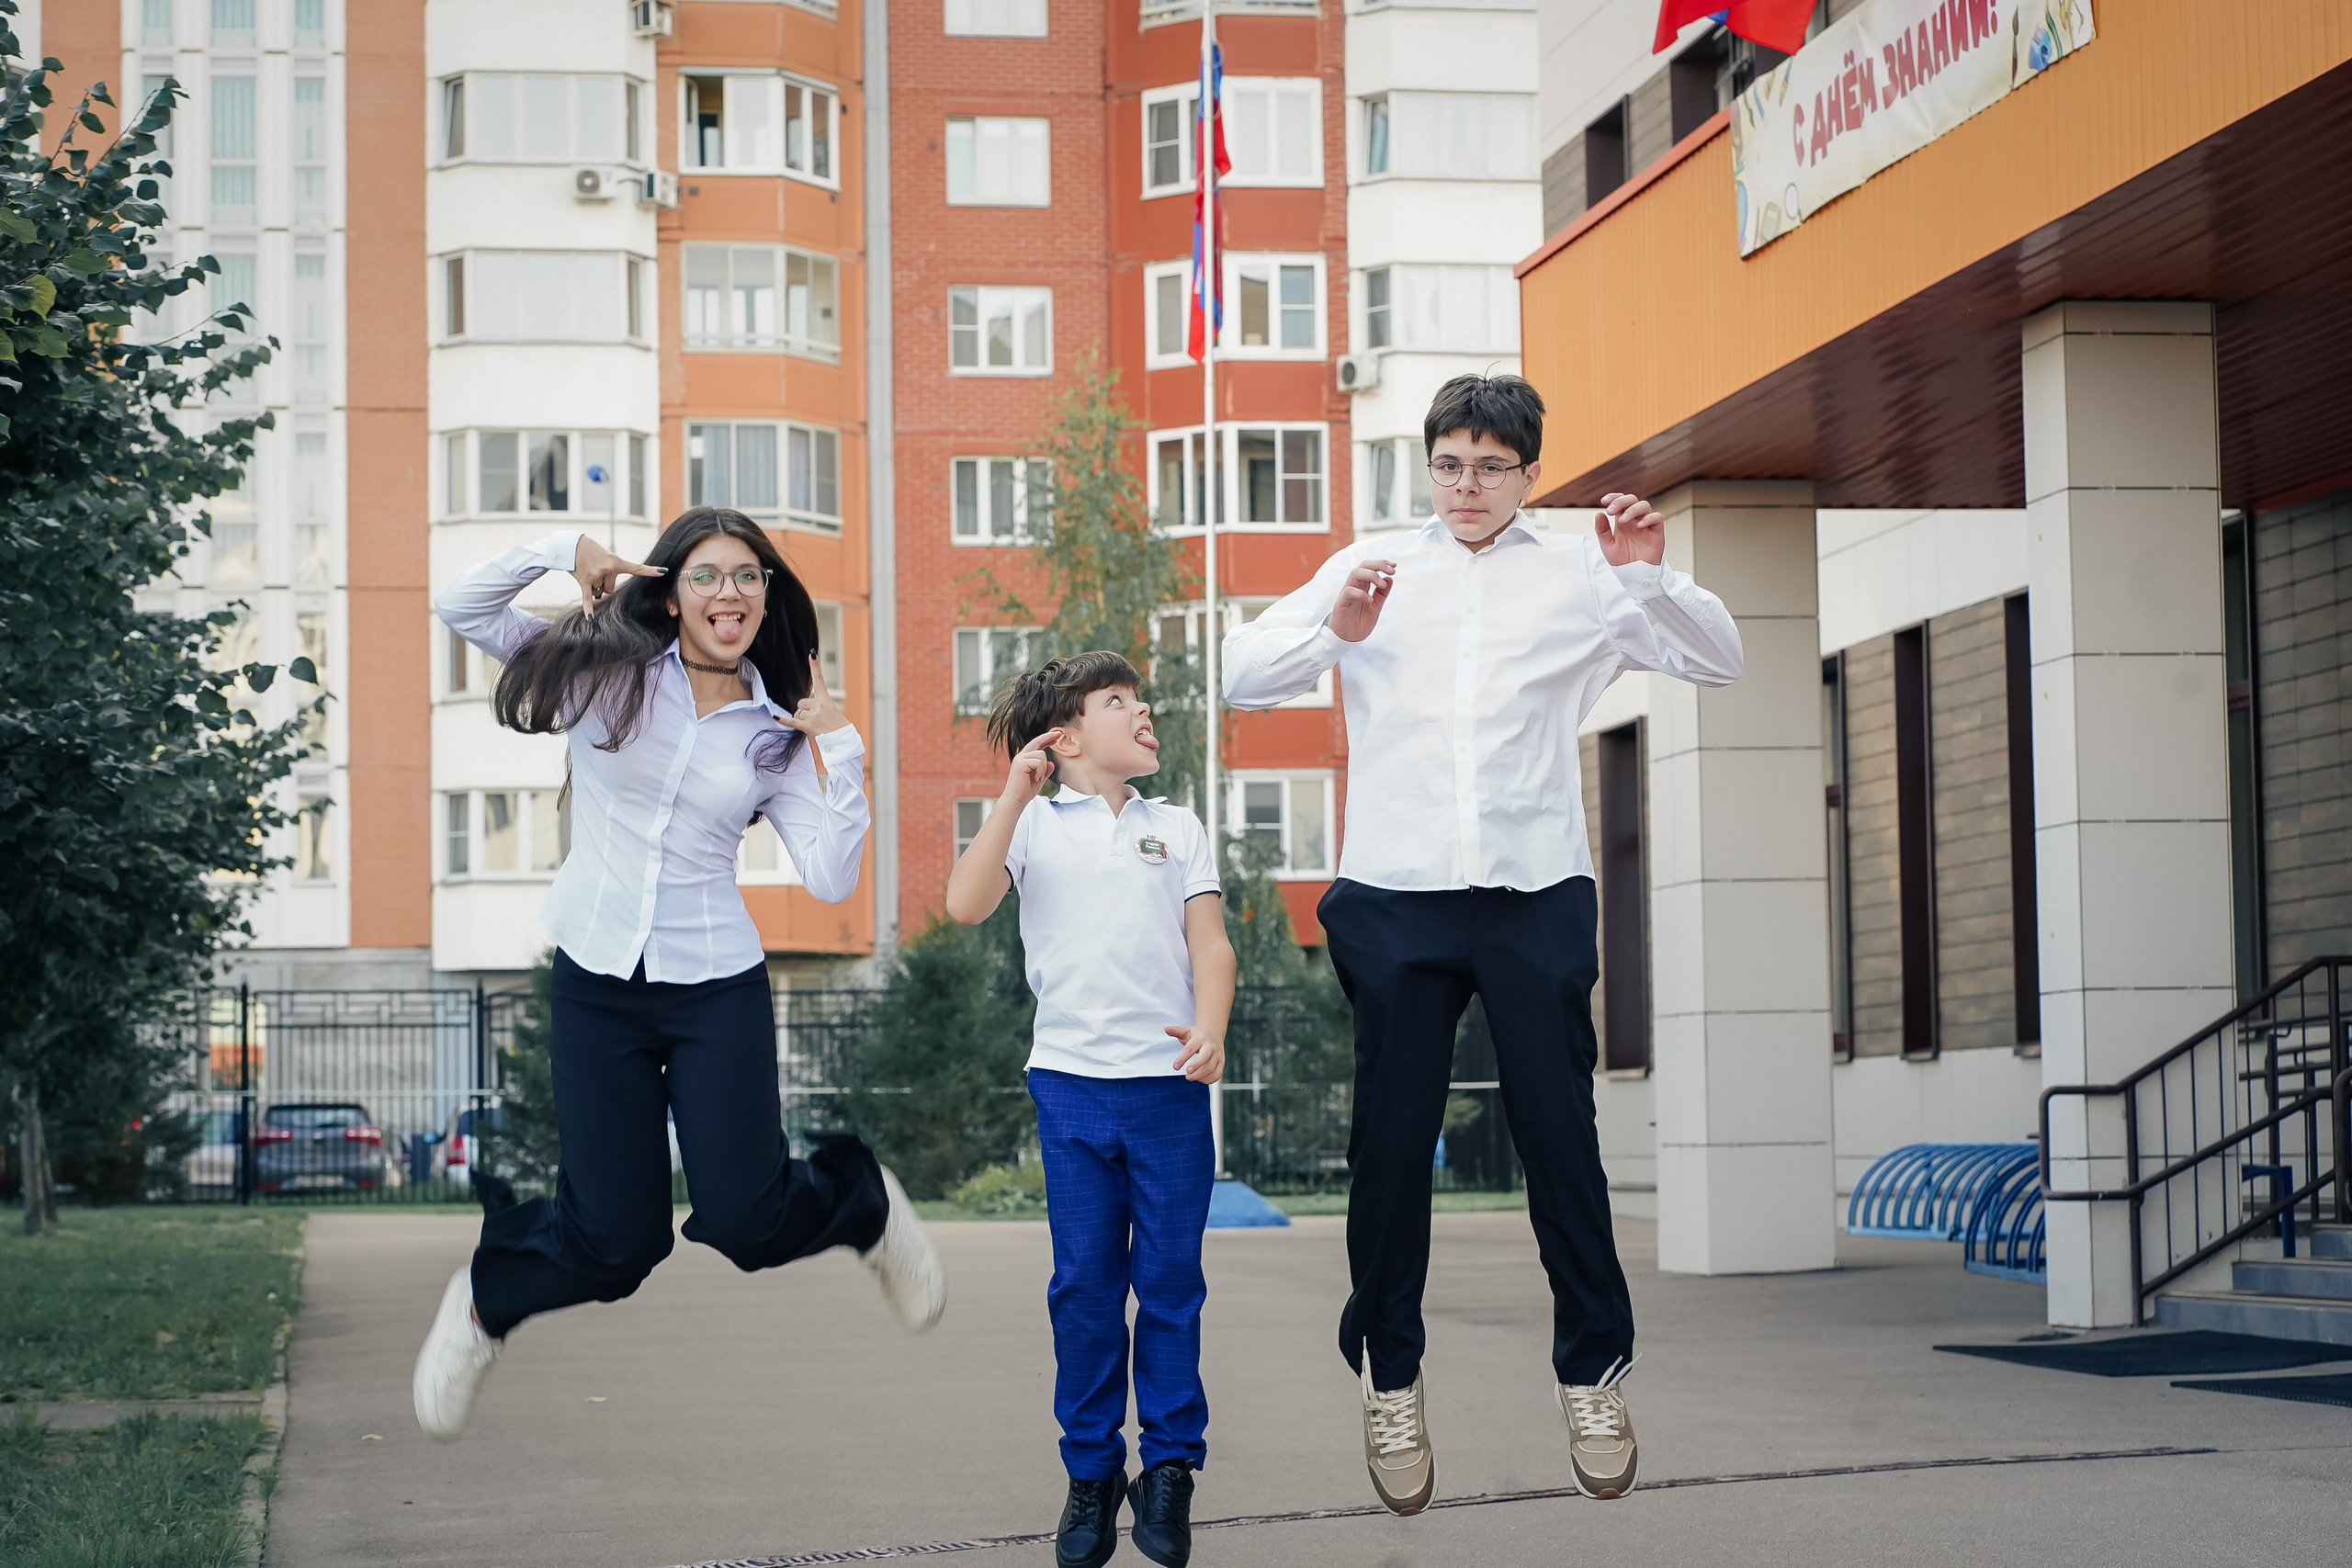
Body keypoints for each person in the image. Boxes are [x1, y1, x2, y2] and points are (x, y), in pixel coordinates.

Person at [1223, 374, 1743, 1509]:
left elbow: (1718, 658)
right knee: (1391, 1149)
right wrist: (1334, 631)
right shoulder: (1370, 567)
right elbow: (1239, 678)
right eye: (1449, 464)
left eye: (1490, 467)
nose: (1467, 487)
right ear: (1429, 467)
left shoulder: (1582, 572)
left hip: (1531, 889)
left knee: (1560, 1135)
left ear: (1528, 473)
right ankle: (1390, 1375)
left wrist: (1645, 573)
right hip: (1395, 894)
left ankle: (1593, 1370)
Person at [411, 508, 946, 1444]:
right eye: (706, 575)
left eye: (747, 576)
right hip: (596, 978)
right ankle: (487, 1299)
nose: (728, 593)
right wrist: (558, 550)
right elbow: (462, 604)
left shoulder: (773, 730)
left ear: (766, 595)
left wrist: (840, 746)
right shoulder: (603, 676)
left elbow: (829, 876)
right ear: (670, 590)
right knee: (615, 1245)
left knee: (746, 1219)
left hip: (714, 987)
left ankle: (859, 1200)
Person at [944, 652, 1237, 1568]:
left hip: (1166, 1096)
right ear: (1065, 739)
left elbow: (1211, 945)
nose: (1142, 712)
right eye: (1119, 703)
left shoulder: (1177, 827)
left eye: (1140, 700)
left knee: (1170, 1286)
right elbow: (964, 903)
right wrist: (1011, 793)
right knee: (1083, 1291)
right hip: (1069, 1089)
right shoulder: (1030, 828)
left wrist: (1213, 1029)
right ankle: (1090, 1473)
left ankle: (1170, 1470)